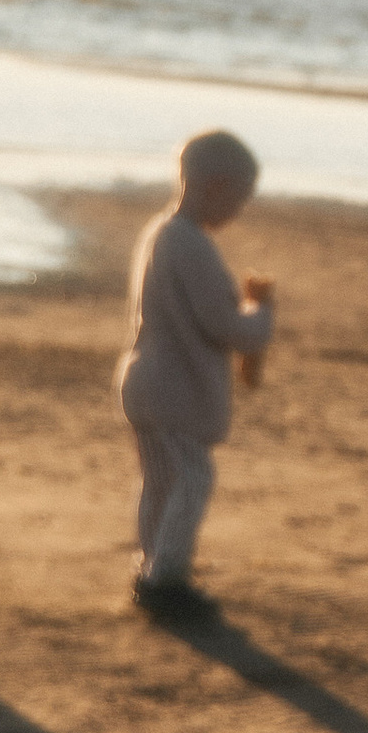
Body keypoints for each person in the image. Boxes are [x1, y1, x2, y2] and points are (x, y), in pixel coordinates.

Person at [115, 131, 275, 621]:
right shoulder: (190, 244)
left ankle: (152, 566)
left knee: (162, 483)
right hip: (171, 390)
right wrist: (261, 315)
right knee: (189, 482)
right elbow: (224, 326)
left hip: (148, 383)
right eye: (239, 199)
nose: (239, 211)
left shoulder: (162, 232)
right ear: (216, 186)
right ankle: (166, 580)